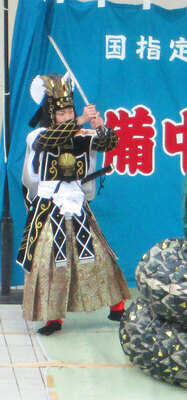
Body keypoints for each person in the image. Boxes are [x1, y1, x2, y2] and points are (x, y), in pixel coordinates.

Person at [16, 73, 130, 335]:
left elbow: (109, 143)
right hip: (49, 208)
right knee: (49, 264)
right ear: (51, 114)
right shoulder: (38, 135)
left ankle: (117, 306)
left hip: (76, 205)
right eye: (61, 113)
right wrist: (79, 120)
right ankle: (53, 319)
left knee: (99, 257)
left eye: (70, 111)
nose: (67, 116)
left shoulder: (80, 135)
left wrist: (100, 127)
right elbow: (49, 140)